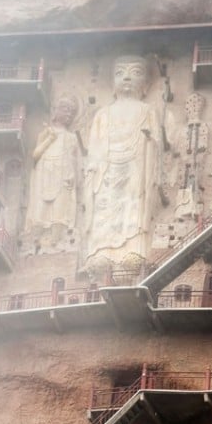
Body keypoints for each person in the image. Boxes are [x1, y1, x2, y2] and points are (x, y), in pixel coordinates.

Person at [83, 56, 164, 276]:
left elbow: (157, 142)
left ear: (146, 85)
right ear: (112, 83)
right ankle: (101, 252)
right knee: (105, 207)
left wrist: (149, 140)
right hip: (106, 168)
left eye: (135, 72)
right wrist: (94, 166)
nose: (127, 77)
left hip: (136, 163)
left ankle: (133, 251)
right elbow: (94, 145)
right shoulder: (103, 113)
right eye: (120, 73)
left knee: (134, 205)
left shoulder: (148, 110)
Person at [24, 96, 81, 250]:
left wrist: (72, 176)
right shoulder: (45, 133)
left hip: (63, 174)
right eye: (65, 109)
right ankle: (36, 241)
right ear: (55, 111)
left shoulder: (71, 138)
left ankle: (58, 241)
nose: (69, 114)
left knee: (60, 210)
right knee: (40, 208)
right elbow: (36, 155)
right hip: (44, 172)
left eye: (72, 112)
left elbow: (74, 160)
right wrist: (50, 138)